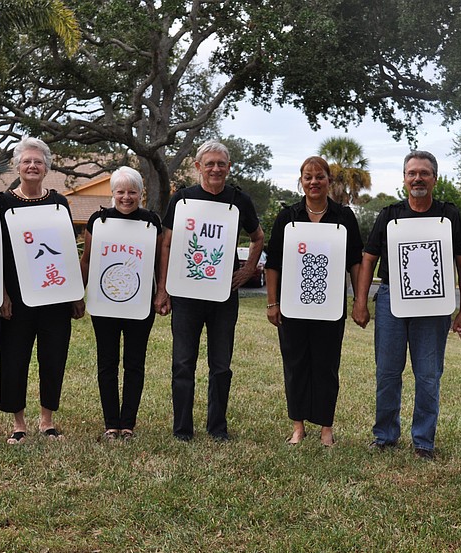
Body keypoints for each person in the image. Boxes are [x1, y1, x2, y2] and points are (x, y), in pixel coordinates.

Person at [352, 150, 461, 459]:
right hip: (392, 299)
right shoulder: (390, 215)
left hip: (434, 304)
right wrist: (361, 302)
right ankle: (385, 435)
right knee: (388, 372)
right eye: (412, 173)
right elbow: (368, 260)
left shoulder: (449, 215)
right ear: (404, 179)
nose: (417, 178)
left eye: (424, 172)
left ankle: (423, 442)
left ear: (435, 178)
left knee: (428, 374)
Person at [154, 140, 264, 442]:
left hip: (223, 297)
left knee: (221, 366)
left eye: (221, 164)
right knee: (182, 363)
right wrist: (162, 289)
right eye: (210, 163)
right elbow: (166, 243)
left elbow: (258, 237)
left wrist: (247, 269)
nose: (215, 168)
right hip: (186, 295)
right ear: (198, 166)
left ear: (229, 167)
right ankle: (182, 430)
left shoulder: (238, 200)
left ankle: (217, 428)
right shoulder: (183, 199)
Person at [264, 156, 364, 447]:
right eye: (307, 177)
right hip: (292, 307)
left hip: (330, 307)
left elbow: (355, 262)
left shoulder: (344, 217)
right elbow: (274, 263)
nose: (313, 182)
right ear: (301, 181)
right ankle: (298, 426)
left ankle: (325, 428)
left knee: (326, 365)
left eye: (319, 176)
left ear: (329, 181)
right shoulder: (288, 216)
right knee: (295, 364)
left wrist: (359, 300)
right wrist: (272, 303)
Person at [0, 137, 85, 444]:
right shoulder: (2, 204)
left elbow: (67, 252)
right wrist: (2, 295)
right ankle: (18, 424)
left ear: (46, 168)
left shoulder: (58, 203)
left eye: (38, 162)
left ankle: (47, 420)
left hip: (55, 296)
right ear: (17, 166)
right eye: (27, 161)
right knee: (14, 358)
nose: (32, 166)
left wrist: (75, 294)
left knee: (53, 357)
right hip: (16, 299)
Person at [80, 167, 162, 440]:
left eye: (132, 192)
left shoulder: (152, 222)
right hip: (105, 304)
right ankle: (110, 423)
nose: (126, 197)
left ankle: (128, 423)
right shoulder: (98, 221)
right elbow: (88, 260)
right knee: (107, 363)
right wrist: (77, 295)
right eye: (121, 191)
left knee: (135, 363)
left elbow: (161, 262)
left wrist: (162, 291)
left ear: (141, 193)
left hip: (140, 304)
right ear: (112, 193)